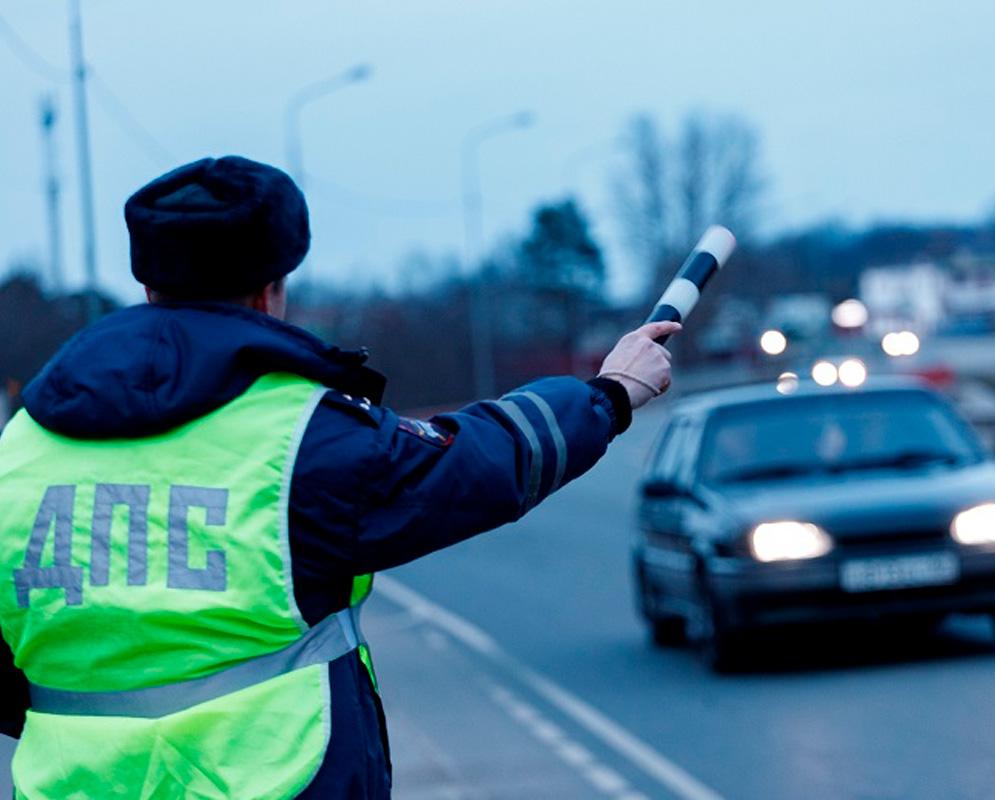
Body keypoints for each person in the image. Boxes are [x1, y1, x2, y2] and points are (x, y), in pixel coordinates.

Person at [0, 156, 679, 798]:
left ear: (147, 287)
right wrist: (610, 393)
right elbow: (475, 463)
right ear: (270, 295)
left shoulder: (21, 448)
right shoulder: (299, 437)